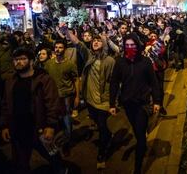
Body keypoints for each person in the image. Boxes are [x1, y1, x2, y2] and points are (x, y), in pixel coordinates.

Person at [0, 47, 64, 174]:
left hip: (39, 127)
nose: (18, 62)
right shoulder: (10, 81)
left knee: (52, 155)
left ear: (31, 61)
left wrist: (51, 125)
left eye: (23, 59)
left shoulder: (43, 80)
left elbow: (52, 103)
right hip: (18, 128)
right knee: (20, 162)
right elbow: (5, 105)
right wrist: (5, 125)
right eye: (16, 60)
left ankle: (62, 169)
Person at [109, 34, 161, 174]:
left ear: (137, 46)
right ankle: (141, 140)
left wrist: (157, 101)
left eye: (133, 45)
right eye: (127, 45)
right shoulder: (120, 62)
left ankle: (138, 167)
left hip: (142, 104)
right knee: (137, 130)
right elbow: (114, 83)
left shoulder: (145, 62)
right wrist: (112, 103)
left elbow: (154, 82)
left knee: (140, 136)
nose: (130, 48)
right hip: (127, 104)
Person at [67, 30, 115, 170]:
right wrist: (66, 32)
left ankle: (102, 153)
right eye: (93, 40)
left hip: (104, 100)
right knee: (97, 122)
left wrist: (113, 102)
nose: (95, 42)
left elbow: (114, 82)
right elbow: (79, 44)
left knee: (101, 125)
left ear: (104, 43)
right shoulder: (89, 56)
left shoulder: (110, 61)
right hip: (89, 99)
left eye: (98, 40)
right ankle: (108, 135)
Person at [44, 40, 80, 156]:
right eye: (56, 47)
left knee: (66, 119)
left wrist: (77, 96)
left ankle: (66, 143)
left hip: (66, 96)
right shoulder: (49, 64)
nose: (58, 49)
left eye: (60, 47)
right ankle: (57, 143)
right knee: (55, 120)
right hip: (53, 96)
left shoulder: (70, 64)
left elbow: (76, 80)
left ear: (64, 49)